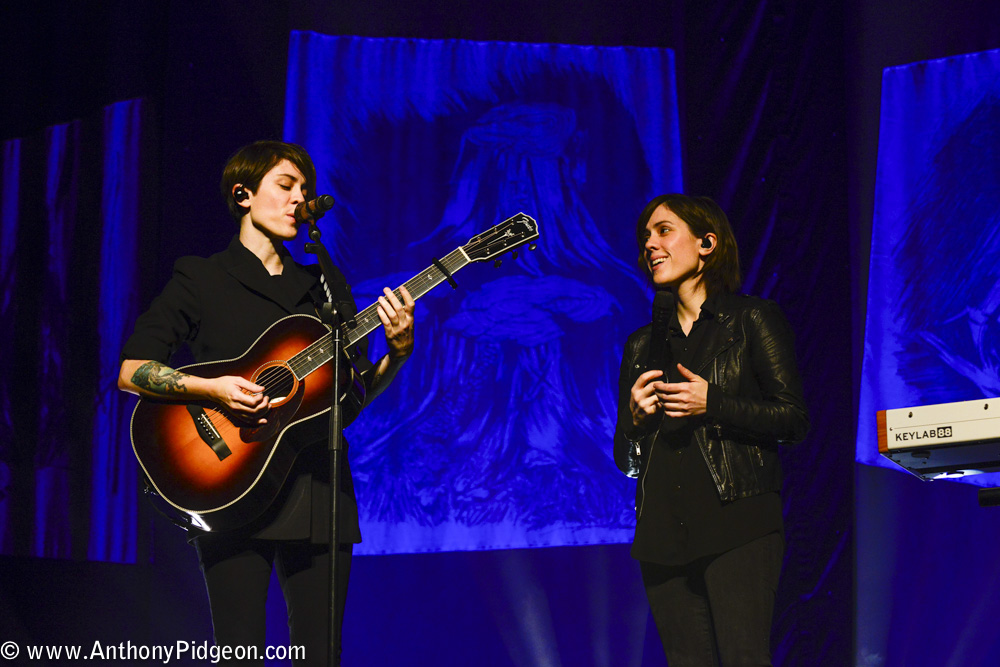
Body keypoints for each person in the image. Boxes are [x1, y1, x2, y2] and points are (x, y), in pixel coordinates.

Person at [117, 140, 415, 666]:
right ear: (243, 195)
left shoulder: (322, 286)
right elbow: (131, 371)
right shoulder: (201, 278)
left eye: (306, 190)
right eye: (285, 186)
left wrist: (397, 355)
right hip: (229, 480)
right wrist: (214, 388)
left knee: (321, 654)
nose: (300, 199)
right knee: (238, 649)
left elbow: (354, 397)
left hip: (318, 487)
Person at [613, 194, 809, 666]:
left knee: (744, 657)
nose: (650, 246)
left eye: (663, 231)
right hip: (662, 536)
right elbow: (625, 458)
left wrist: (713, 402)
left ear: (706, 243)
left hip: (737, 522)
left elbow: (793, 420)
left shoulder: (750, 320)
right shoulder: (641, 344)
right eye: (645, 238)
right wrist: (636, 426)